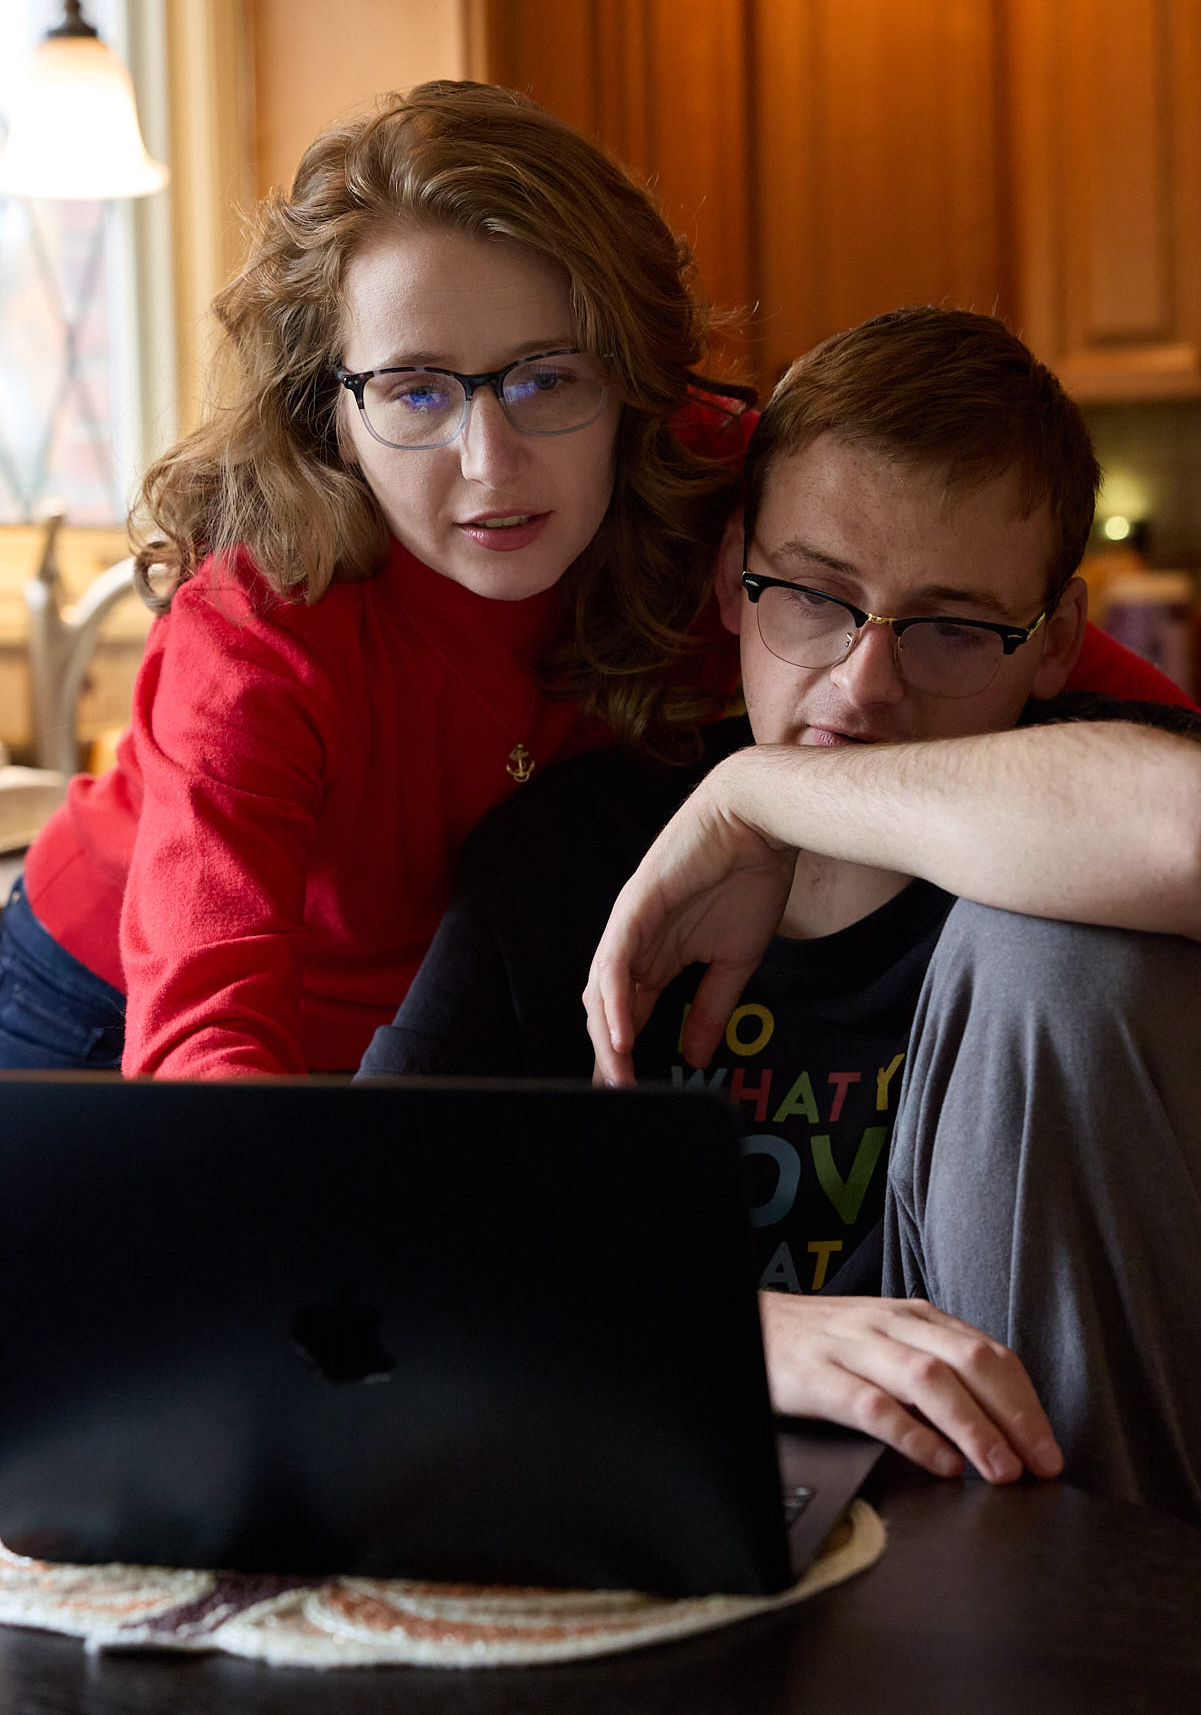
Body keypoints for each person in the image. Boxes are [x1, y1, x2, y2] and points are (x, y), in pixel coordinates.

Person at [362, 307, 1201, 1519]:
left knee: (1056, 952)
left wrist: (764, 791)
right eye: (811, 597)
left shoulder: (1092, 799)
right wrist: (724, 1331)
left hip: (1016, 1481)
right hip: (635, 1457)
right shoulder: (572, 852)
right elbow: (360, 1236)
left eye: (953, 628)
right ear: (730, 578)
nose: (864, 686)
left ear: (1056, 640)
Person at [0, 79, 756, 1078]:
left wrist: (775, 801)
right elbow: (203, 1029)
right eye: (415, 390)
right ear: (333, 415)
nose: (489, 462)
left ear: (633, 384)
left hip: (444, 1025)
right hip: (107, 1008)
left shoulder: (734, 508)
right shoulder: (263, 624)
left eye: (548, 379)